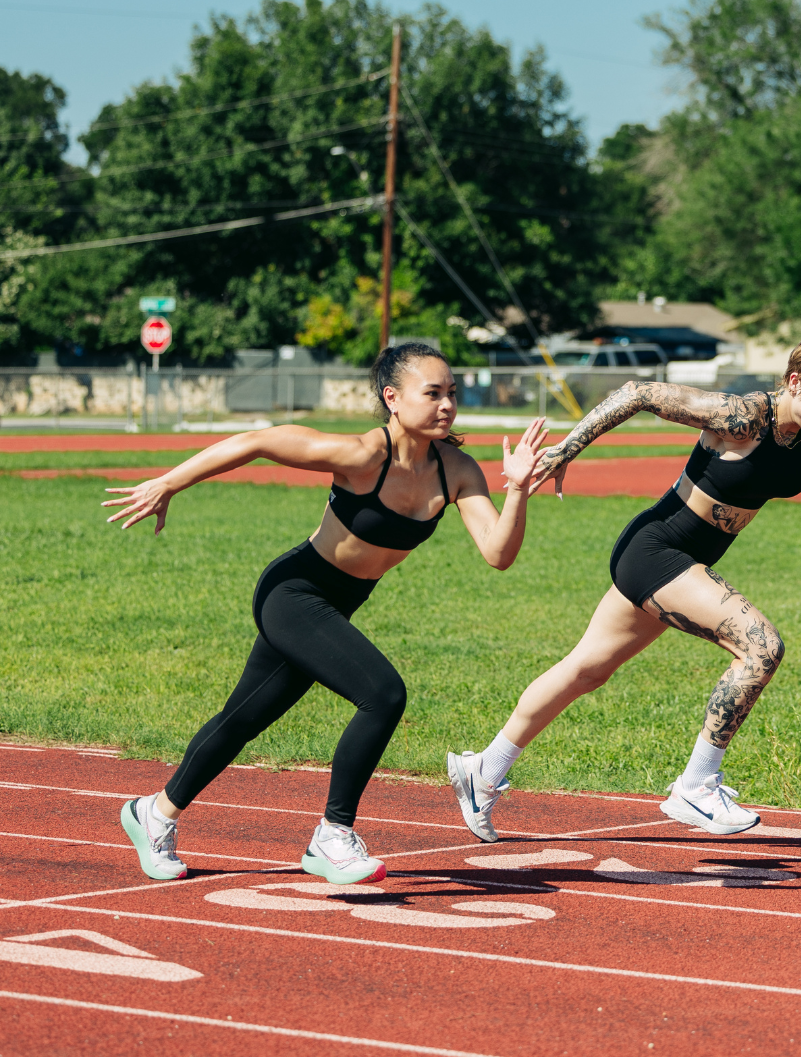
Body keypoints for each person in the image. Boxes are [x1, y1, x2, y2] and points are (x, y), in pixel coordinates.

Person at [448, 332, 801, 842]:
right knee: (761, 648)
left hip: (686, 561)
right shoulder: (741, 415)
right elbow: (637, 392)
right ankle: (696, 785)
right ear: (794, 382)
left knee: (585, 670)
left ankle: (483, 770)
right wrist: (569, 448)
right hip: (655, 550)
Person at [104, 342, 546, 885]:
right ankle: (332, 835)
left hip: (336, 606)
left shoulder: (455, 470)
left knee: (243, 718)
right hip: (293, 594)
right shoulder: (362, 456)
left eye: (451, 393)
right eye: (432, 393)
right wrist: (170, 481)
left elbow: (498, 554)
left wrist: (518, 488)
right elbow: (259, 441)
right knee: (383, 694)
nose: (447, 405)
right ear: (393, 398)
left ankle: (154, 813)